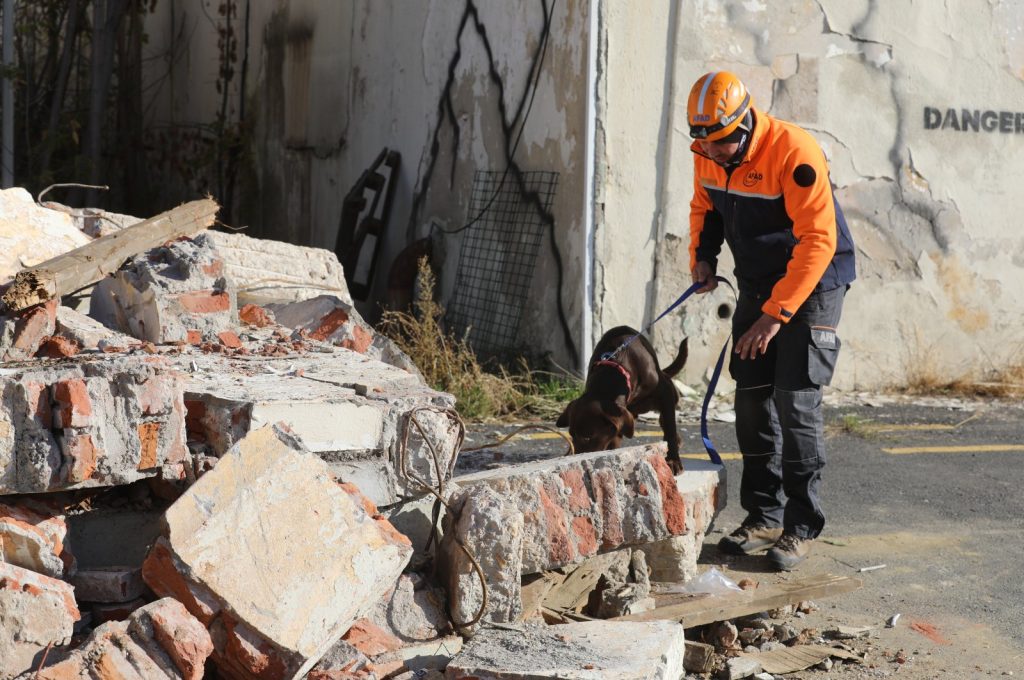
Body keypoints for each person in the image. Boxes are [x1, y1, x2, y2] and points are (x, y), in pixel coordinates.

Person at [685, 71, 856, 571]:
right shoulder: (708, 153)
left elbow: (818, 241)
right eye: (703, 142)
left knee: (794, 400)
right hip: (759, 281)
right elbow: (705, 208)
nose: (710, 152)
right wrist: (702, 258)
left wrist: (775, 316)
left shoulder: (793, 152)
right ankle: (763, 516)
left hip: (815, 280)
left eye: (719, 142)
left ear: (743, 126)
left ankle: (800, 527)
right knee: (752, 399)